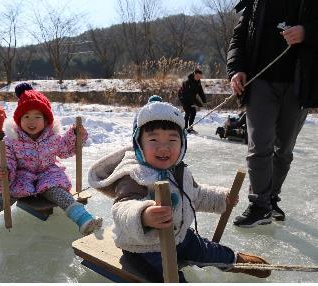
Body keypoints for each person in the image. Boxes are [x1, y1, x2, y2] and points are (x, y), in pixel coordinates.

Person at [88, 96, 271, 282]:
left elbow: (196, 195)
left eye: (172, 139)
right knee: (168, 277)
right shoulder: (133, 174)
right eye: (153, 139)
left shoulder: (179, 170)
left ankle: (233, 260)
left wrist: (221, 199)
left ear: (182, 143)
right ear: (139, 144)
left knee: (205, 249)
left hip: (179, 236)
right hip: (143, 248)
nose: (164, 147)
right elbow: (122, 209)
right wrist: (144, 215)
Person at [0, 88, 102, 238]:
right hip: (21, 176)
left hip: (48, 174)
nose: (31, 121)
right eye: (26, 117)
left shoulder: (52, 137)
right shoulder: (11, 140)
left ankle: (84, 219)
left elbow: (65, 150)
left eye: (37, 117)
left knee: (58, 192)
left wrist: (75, 136)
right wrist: (3, 171)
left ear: (46, 120)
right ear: (19, 120)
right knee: (4, 196)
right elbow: (5, 159)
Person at [227, 0, 318, 227]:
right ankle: (259, 205)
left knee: (284, 150)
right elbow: (238, 39)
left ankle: (271, 198)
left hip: (300, 86)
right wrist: (236, 69)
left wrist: (307, 32)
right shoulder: (255, 2)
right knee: (259, 146)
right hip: (260, 83)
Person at [177, 68, 207, 133]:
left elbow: (200, 92)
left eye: (200, 77)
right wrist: (195, 103)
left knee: (193, 112)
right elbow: (189, 94)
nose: (199, 78)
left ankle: (190, 128)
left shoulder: (198, 82)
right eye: (198, 76)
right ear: (194, 74)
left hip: (191, 98)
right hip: (183, 97)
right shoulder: (187, 81)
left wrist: (204, 101)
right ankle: (185, 128)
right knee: (188, 112)